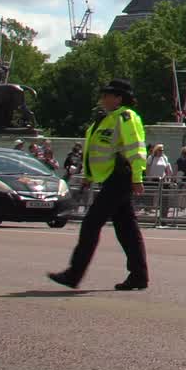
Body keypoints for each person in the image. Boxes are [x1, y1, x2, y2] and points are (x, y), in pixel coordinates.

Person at [47, 78, 150, 291]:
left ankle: (74, 274)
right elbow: (94, 151)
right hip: (111, 178)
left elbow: (136, 148)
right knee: (127, 228)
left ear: (118, 98)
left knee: (91, 224)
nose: (102, 99)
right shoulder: (105, 119)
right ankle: (139, 275)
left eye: (106, 95)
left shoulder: (125, 116)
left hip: (120, 176)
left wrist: (137, 177)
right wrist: (89, 175)